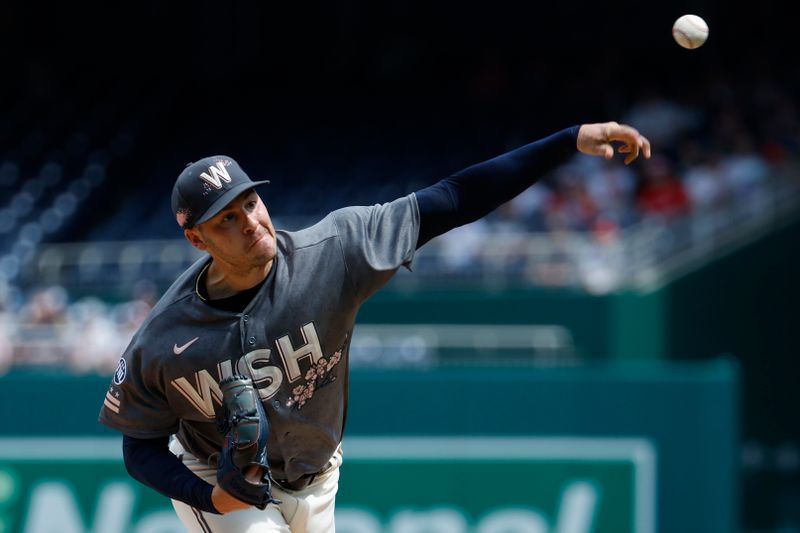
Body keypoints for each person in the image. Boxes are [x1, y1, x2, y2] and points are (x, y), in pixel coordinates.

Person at [98, 121, 651, 532]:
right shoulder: (164, 337)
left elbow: (453, 199)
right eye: (228, 219)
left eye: (251, 202)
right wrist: (208, 497)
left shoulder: (335, 251)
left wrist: (567, 140)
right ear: (196, 238)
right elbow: (139, 448)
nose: (252, 223)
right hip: (228, 486)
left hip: (317, 471)